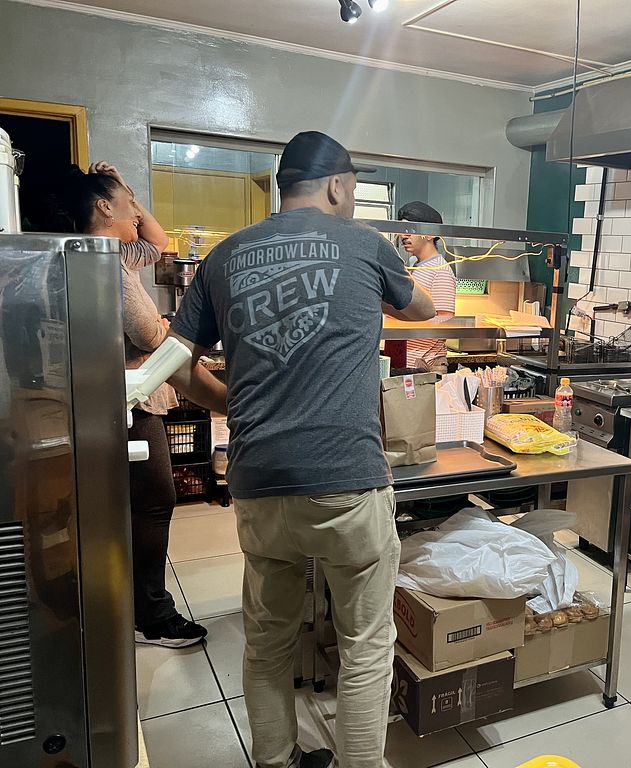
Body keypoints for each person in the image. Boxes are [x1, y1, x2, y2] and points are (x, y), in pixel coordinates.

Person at [169, 131, 435, 768]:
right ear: (339, 185)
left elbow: (176, 366)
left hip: (259, 480)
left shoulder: (224, 256)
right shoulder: (364, 243)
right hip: (348, 479)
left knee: (267, 641)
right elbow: (424, 309)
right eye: (352, 189)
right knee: (365, 644)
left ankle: (276, 760)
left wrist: (231, 404)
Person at [58, 162, 227, 647]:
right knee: (155, 500)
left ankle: (125, 604)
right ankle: (151, 615)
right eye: (128, 204)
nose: (136, 212)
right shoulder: (107, 265)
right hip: (130, 401)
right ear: (103, 208)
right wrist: (170, 327)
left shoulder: (115, 255)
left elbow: (158, 241)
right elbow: (151, 334)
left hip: (125, 398)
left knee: (134, 503)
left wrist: (127, 188)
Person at [396, 201, 457, 373]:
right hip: (411, 362)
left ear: (430, 233)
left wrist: (402, 320)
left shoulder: (440, 270)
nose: (404, 235)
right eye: (402, 230)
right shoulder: (416, 266)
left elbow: (445, 320)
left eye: (410, 229)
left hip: (427, 365)